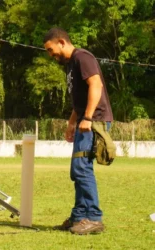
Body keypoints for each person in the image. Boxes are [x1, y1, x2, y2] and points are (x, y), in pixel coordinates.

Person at [43, 27, 113, 235]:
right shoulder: (70, 65)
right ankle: (79, 216)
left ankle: (93, 218)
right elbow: (79, 100)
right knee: (77, 169)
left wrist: (89, 118)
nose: (51, 55)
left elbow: (96, 85)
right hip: (85, 121)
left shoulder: (82, 57)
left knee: (82, 168)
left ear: (62, 42)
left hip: (94, 121)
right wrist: (71, 123)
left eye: (50, 49)